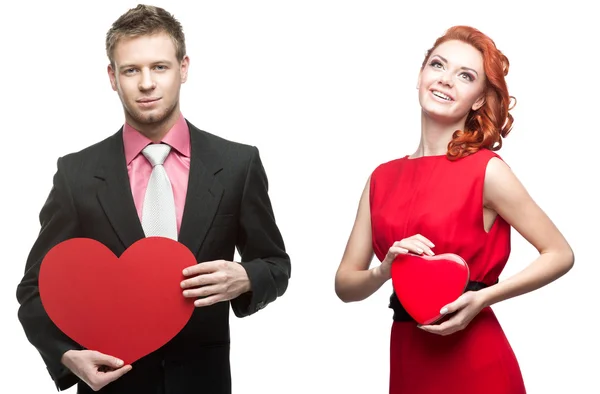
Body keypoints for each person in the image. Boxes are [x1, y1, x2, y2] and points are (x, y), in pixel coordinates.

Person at [16, 4, 290, 394]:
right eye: (131, 70)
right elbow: (34, 289)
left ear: (184, 68)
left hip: (204, 383)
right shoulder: (76, 174)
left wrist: (246, 277)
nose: (147, 83)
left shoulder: (237, 164)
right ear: (113, 77)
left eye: (159, 67)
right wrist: (66, 355)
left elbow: (276, 264)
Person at [334, 25, 574, 394]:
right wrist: (383, 270)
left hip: (476, 362)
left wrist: (484, 298)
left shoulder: (487, 170)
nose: (446, 80)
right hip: (408, 359)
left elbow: (560, 253)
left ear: (478, 100)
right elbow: (345, 285)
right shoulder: (381, 178)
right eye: (438, 65)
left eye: (465, 75)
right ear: (419, 76)